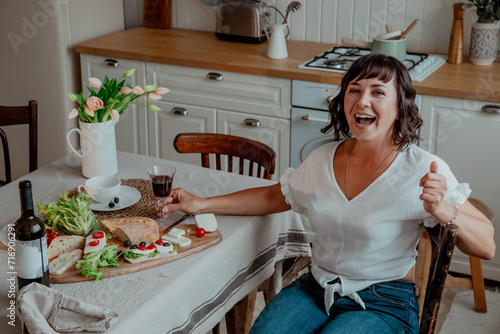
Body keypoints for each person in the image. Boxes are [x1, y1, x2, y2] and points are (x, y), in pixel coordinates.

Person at [155, 54, 495, 333]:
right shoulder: (322, 159)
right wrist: (202, 202)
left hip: (384, 300)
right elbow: (276, 197)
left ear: (399, 106)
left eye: (378, 92)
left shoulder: (423, 168)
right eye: (354, 90)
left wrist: (442, 209)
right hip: (316, 287)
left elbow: (486, 245)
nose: (363, 100)